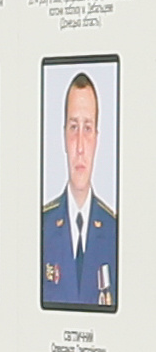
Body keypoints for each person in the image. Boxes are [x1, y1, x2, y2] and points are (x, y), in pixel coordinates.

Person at [44, 67, 119, 308]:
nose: (79, 146)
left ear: (97, 138)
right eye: (73, 127)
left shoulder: (116, 232)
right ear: (63, 136)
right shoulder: (40, 229)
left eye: (87, 129)